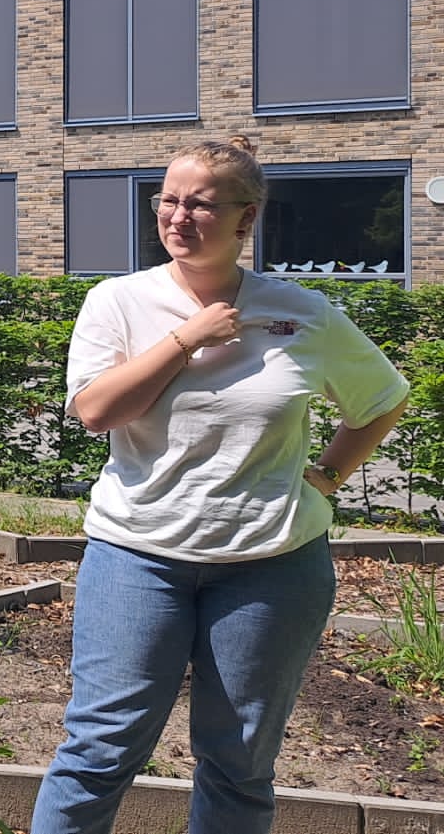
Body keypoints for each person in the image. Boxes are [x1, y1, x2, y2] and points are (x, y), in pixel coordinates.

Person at [29, 136, 409, 834]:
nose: (178, 216)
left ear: (246, 217)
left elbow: (383, 397)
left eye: (200, 204)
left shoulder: (300, 312)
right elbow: (94, 411)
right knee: (97, 749)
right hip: (137, 555)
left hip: (271, 566)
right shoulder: (118, 302)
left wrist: (325, 476)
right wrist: (186, 339)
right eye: (168, 200)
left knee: (239, 764)